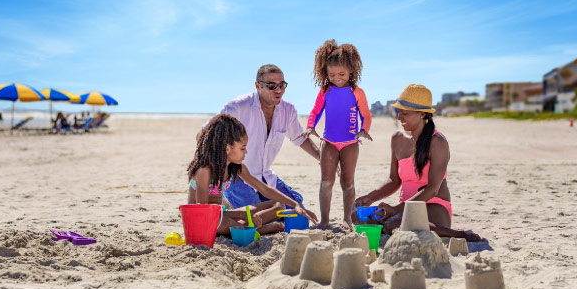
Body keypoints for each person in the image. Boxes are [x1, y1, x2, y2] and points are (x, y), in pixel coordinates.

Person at [353, 84, 482, 242]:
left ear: (422, 113)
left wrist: (394, 210)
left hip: (434, 205)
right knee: (358, 217)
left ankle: (459, 234)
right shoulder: (397, 139)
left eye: (405, 113)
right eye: (398, 112)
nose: (399, 118)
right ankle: (399, 219)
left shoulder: (437, 142)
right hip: (403, 209)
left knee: (392, 224)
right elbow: (394, 180)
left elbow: (432, 189)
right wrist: (369, 198)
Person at [204, 64, 321, 210]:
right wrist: (220, 168)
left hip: (264, 176)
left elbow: (300, 138)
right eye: (272, 86)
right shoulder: (237, 107)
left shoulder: (288, 110)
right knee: (256, 215)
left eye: (282, 85)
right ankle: (225, 200)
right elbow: (206, 134)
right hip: (236, 176)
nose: (278, 90)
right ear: (258, 85)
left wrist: (323, 159)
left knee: (295, 211)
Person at [188, 114, 318, 235]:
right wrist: (240, 215)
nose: (246, 152)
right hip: (203, 219)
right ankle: (257, 229)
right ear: (228, 148)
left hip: (224, 214)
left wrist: (296, 204)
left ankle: (247, 227)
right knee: (225, 223)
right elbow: (203, 211)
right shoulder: (204, 171)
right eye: (242, 148)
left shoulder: (237, 167)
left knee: (278, 205)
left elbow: (265, 189)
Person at [298, 39, 373, 230]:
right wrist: (310, 126)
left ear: (351, 71)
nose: (337, 78)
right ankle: (324, 221)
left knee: (347, 182)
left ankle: (347, 219)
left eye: (342, 74)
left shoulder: (357, 91)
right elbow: (315, 112)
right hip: (329, 142)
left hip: (350, 143)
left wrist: (364, 130)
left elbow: (365, 114)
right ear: (326, 73)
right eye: (332, 74)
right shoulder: (325, 90)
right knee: (326, 182)